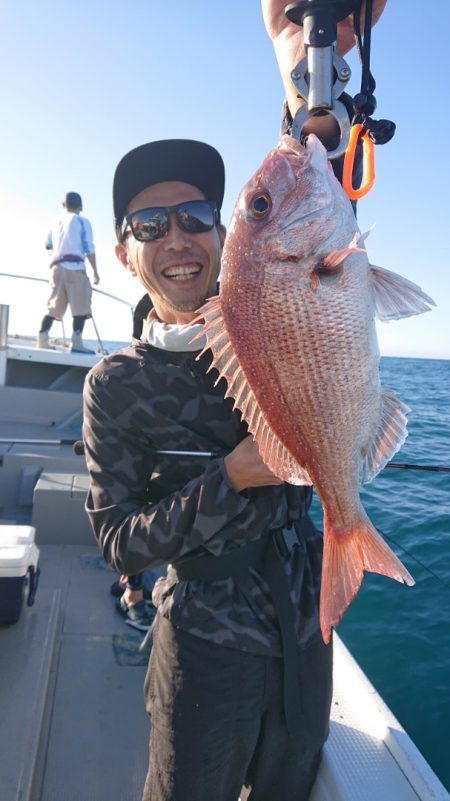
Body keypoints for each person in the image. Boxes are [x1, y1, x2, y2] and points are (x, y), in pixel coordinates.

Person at [83, 3, 388, 800]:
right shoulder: (115, 385)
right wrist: (235, 475)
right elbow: (118, 541)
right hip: (202, 651)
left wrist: (306, 65)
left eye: (195, 218)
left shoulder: (266, 302)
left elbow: (306, 169)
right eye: (152, 224)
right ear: (124, 250)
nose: (177, 238)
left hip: (304, 634)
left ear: (224, 237)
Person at [38, 191, 100, 353]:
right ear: (80, 206)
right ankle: (77, 343)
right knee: (80, 307)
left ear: (63, 205)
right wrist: (95, 272)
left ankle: (42, 339)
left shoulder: (54, 221)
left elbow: (47, 245)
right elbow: (89, 248)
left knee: (53, 307)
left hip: (56, 268)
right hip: (76, 268)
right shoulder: (82, 221)